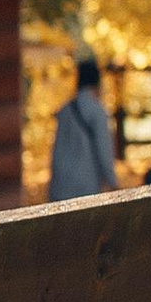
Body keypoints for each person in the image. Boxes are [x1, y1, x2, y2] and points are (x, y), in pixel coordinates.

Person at [47, 55, 118, 200]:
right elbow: (103, 150)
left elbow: (56, 149)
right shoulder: (97, 111)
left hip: (60, 185)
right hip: (86, 186)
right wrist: (113, 182)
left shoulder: (66, 110)